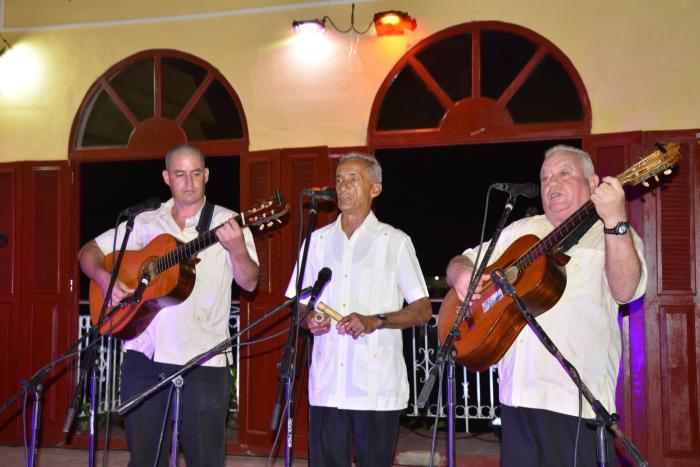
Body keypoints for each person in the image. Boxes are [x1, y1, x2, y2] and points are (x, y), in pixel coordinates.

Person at [446, 145, 647, 466]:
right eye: (544, 178)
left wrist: (616, 220)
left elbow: (626, 292)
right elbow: (462, 260)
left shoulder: (612, 233)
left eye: (564, 173)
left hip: (574, 402)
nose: (552, 183)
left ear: (593, 183)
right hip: (516, 397)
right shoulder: (520, 230)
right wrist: (461, 275)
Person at [78, 144, 259, 467]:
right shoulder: (144, 221)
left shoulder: (227, 222)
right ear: (166, 177)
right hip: (143, 355)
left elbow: (249, 283)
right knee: (146, 458)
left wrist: (237, 250)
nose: (188, 181)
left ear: (206, 175)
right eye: (180, 174)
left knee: (205, 458)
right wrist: (105, 278)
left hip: (203, 357)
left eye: (195, 173)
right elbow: (88, 251)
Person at [285, 153, 432, 467]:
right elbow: (296, 304)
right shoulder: (317, 241)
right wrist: (309, 318)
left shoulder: (395, 242)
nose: (343, 186)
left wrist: (375, 320)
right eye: (339, 179)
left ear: (375, 189)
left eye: (353, 178)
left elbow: (421, 310)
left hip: (376, 387)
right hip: (327, 387)